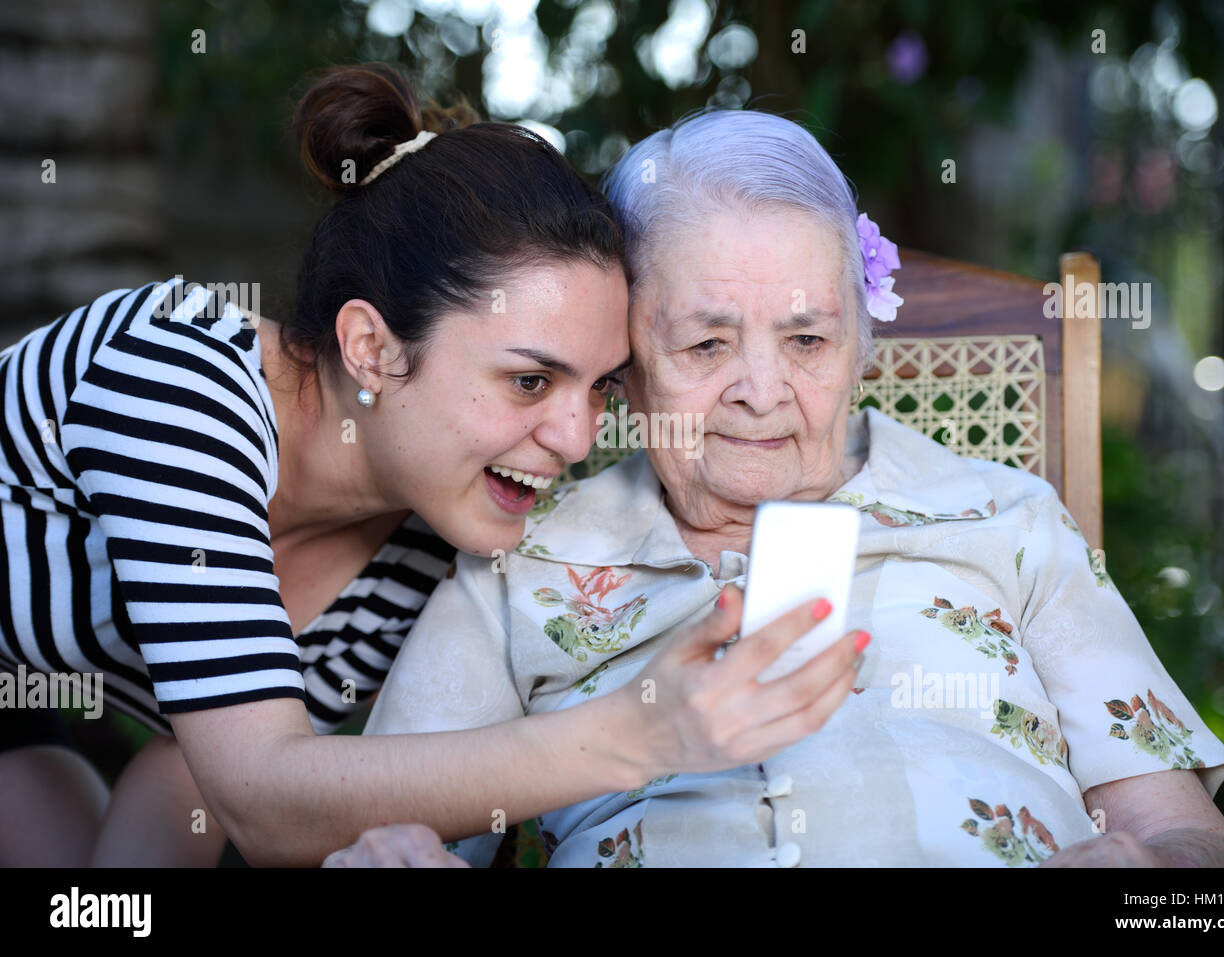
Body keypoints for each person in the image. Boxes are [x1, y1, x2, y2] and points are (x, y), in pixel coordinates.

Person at [0, 68, 862, 867]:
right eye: (529, 379)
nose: (574, 436)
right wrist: (641, 732)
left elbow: (199, 764)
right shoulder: (176, 379)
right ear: (370, 348)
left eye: (598, 386)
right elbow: (263, 791)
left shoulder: (428, 540)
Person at [364, 108, 1224, 867]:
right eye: (706, 344)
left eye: (808, 340)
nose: (760, 388)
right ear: (623, 363)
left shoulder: (1008, 521)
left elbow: (1194, 854)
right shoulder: (524, 565)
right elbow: (382, 820)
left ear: (863, 343)